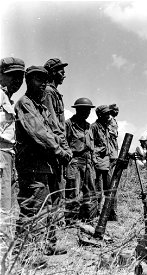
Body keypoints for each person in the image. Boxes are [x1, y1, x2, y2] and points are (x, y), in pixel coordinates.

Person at [14, 66, 72, 264]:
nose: (43, 85)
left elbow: (55, 130)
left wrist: (64, 149)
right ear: (28, 81)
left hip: (44, 164)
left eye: (45, 81)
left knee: (46, 205)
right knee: (32, 207)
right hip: (31, 164)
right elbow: (39, 134)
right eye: (38, 80)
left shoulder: (42, 107)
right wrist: (60, 151)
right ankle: (24, 253)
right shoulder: (25, 104)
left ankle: (45, 244)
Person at [0, 57, 25, 260]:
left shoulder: (7, 98)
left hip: (8, 155)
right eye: (12, 76)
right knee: (2, 207)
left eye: (20, 77)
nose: (17, 81)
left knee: (7, 206)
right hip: (1, 155)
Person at [42, 58, 70, 213]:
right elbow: (52, 123)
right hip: (54, 144)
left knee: (58, 184)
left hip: (58, 143)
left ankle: (55, 223)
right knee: (53, 185)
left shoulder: (55, 93)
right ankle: (52, 226)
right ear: (52, 72)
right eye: (61, 71)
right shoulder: (48, 92)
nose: (64, 75)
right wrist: (62, 147)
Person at [65, 98, 97, 224]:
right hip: (74, 161)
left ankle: (89, 219)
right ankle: (71, 221)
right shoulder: (68, 124)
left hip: (88, 161)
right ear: (78, 109)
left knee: (90, 191)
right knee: (74, 191)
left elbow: (91, 145)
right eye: (84, 109)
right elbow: (63, 142)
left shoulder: (88, 126)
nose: (87, 112)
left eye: (89, 110)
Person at [90, 105, 117, 220]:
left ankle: (110, 213)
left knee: (110, 189)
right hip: (98, 163)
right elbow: (91, 146)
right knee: (98, 191)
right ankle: (95, 213)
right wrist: (99, 151)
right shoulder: (94, 127)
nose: (108, 116)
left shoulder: (106, 127)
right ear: (100, 115)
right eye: (106, 114)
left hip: (108, 162)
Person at [108, 103, 119, 176]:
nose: (117, 112)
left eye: (117, 110)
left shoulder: (114, 119)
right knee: (112, 160)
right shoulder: (109, 118)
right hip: (110, 141)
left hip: (114, 141)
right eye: (115, 110)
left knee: (114, 160)